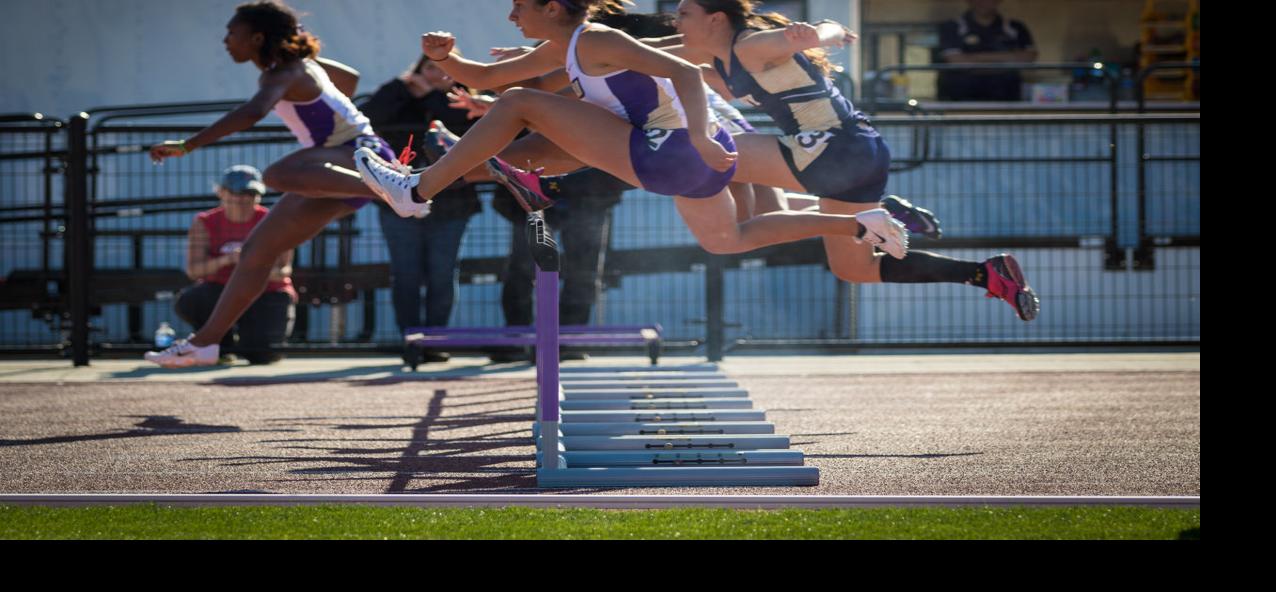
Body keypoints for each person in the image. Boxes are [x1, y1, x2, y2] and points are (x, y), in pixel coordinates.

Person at [353, 0, 912, 282]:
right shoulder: (564, 49)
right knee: (727, 240)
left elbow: (690, 73)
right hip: (685, 159)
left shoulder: (598, 39)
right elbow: (484, 76)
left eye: (520, 6)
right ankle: (860, 222)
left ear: (553, 8)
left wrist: (700, 133)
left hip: (676, 150)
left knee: (524, 112)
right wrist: (444, 57)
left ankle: (417, 190)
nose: (511, 15)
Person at [670, 0, 1038, 320]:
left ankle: (884, 215)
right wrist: (618, 50)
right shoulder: (719, 62)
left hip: (834, 147)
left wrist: (827, 32)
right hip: (857, 150)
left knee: (700, 155)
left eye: (684, 13)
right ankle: (984, 273)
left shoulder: (750, 45)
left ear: (715, 18)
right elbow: (656, 54)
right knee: (853, 269)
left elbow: (821, 32)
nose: (675, 20)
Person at [144, 0, 401, 367]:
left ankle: (394, 190)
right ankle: (204, 344)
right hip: (342, 166)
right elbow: (352, 79)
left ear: (258, 38)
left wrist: (188, 144)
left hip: (359, 153)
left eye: (232, 34)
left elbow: (251, 112)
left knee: (277, 175)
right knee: (256, 252)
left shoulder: (281, 73)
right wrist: (321, 88)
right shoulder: (303, 66)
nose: (225, 41)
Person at [359, 54, 483, 364]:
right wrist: (402, 88)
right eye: (429, 69)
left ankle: (436, 340)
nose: (435, 75)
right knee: (406, 274)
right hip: (397, 202)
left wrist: (431, 94)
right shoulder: (398, 93)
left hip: (453, 203)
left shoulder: (462, 98)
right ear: (416, 71)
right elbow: (367, 117)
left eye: (443, 70)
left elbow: (459, 126)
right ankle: (411, 341)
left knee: (442, 274)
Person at [175, 165, 296, 364]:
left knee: (263, 355)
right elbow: (194, 271)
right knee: (192, 300)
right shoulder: (205, 222)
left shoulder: (274, 220)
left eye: (251, 193)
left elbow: (284, 271)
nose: (243, 199)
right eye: (236, 192)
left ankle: (251, 340)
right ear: (221, 193)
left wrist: (253, 263)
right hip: (221, 290)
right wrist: (228, 260)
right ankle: (222, 344)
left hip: (266, 291)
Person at [937, 0, 1038, 102]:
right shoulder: (951, 26)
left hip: (1007, 100)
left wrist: (974, 59)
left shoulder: (1015, 26)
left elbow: (1028, 58)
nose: (983, 2)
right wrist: (1008, 59)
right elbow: (957, 61)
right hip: (961, 100)